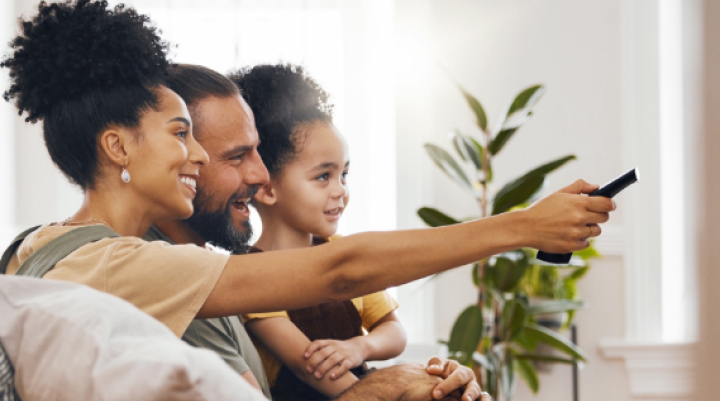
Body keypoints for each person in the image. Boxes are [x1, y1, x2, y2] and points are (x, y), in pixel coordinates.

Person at [1, 1, 612, 399]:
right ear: (117, 147)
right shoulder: (117, 265)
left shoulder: (40, 247)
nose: (195, 157)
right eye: (182, 135)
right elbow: (339, 270)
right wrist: (521, 226)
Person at [229, 64, 406, 400]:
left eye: (345, 174)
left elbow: (394, 331)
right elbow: (306, 366)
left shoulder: (347, 252)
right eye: (323, 176)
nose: (340, 190)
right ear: (266, 189)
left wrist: (360, 347)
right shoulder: (250, 274)